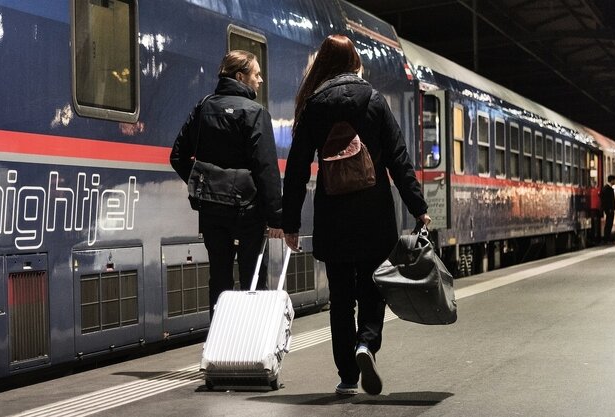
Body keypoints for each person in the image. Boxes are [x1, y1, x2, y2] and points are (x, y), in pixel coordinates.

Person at [282, 35, 431, 396]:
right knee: (371, 288)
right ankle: (367, 343)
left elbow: (297, 169)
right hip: (373, 212)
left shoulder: (314, 105)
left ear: (324, 64)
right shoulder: (374, 100)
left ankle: (348, 374)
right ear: (354, 62)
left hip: (333, 214)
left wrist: (289, 223)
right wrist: (418, 207)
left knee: (341, 297)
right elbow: (398, 158)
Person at [170, 50, 283, 319]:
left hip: (212, 210)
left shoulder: (203, 107)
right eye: (256, 74)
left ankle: (220, 345)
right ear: (240, 76)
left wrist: (203, 184)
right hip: (248, 210)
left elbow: (177, 156)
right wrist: (277, 217)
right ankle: (251, 347)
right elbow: (266, 168)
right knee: (252, 280)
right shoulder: (256, 113)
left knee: (219, 279)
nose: (261, 80)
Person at [600, 174, 615, 244]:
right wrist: (609, 208)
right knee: (609, 224)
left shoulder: (607, 188)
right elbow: (606, 200)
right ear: (611, 180)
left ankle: (607, 239)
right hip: (609, 210)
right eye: (614, 180)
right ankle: (607, 239)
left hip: (610, 209)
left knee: (609, 224)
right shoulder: (607, 189)